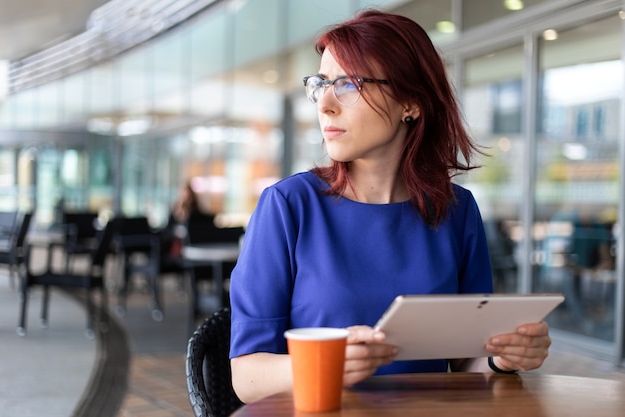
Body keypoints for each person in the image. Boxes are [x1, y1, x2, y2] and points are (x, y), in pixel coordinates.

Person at [229, 9, 552, 404]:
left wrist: (504, 356)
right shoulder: (288, 206)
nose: (325, 104)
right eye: (321, 84)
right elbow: (246, 377)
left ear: (411, 103)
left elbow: (467, 363)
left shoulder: (456, 210)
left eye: (348, 84)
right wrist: (327, 363)